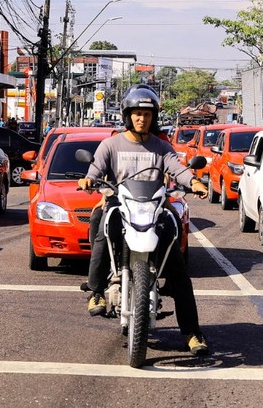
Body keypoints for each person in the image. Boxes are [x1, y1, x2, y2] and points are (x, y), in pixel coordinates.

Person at [77, 86, 212, 356]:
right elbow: (95, 169)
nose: (142, 119)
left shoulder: (161, 146)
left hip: (154, 207)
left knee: (177, 263)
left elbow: (178, 169)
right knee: (102, 224)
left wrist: (194, 181)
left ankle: (193, 333)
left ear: (154, 117)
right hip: (121, 203)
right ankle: (96, 291)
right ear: (128, 116)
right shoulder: (111, 144)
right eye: (137, 114)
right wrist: (89, 179)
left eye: (147, 114)